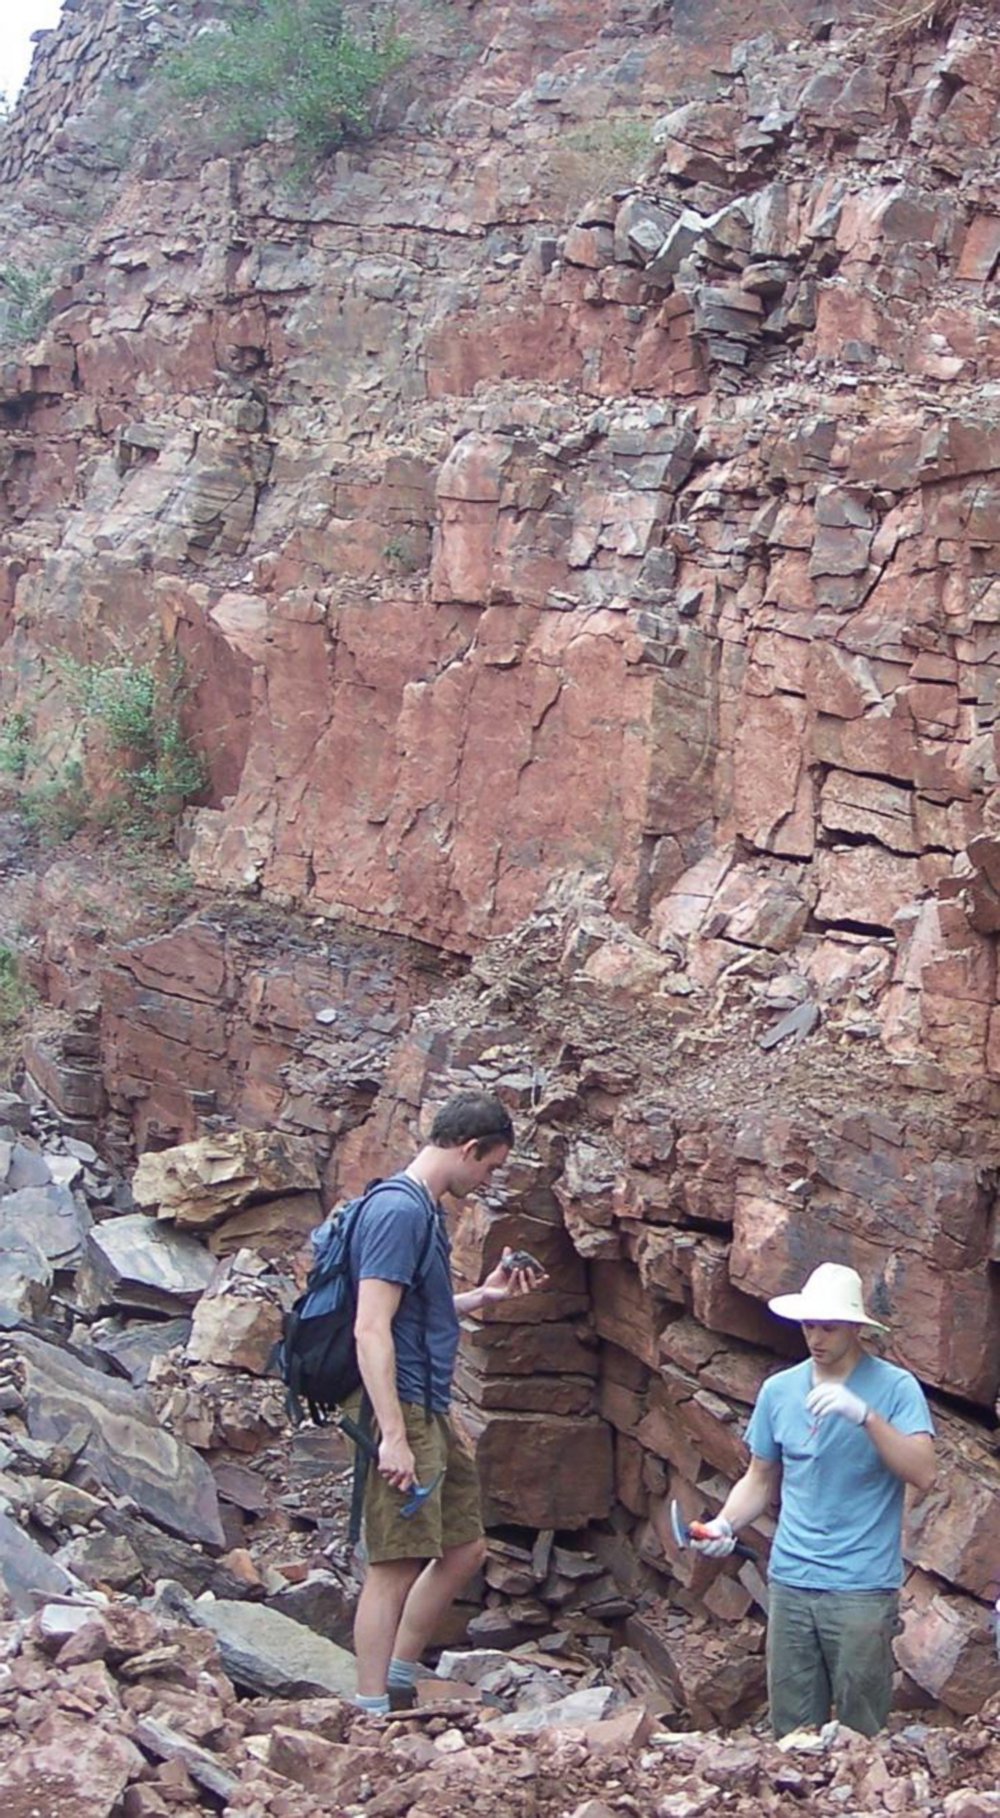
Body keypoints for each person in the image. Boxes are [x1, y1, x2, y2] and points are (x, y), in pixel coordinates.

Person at [350, 1089, 546, 1713]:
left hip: (428, 1405)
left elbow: (416, 1312)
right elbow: (370, 1326)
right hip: (402, 1407)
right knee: (395, 1563)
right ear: (468, 1148)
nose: (487, 1181)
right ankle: (369, 1707)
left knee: (464, 1547)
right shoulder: (399, 1213)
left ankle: (402, 1675)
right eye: (489, 1168)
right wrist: (393, 1436)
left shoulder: (425, 1211)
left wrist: (480, 1299)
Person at [688, 1261, 936, 1739]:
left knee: (862, 1733)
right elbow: (760, 1478)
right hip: (792, 1581)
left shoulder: (895, 1388)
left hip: (861, 1586)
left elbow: (924, 1471)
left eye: (829, 1327)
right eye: (809, 1326)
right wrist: (724, 1524)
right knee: (793, 1732)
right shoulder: (780, 1391)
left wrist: (866, 1416)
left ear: (856, 1329)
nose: (817, 1338)